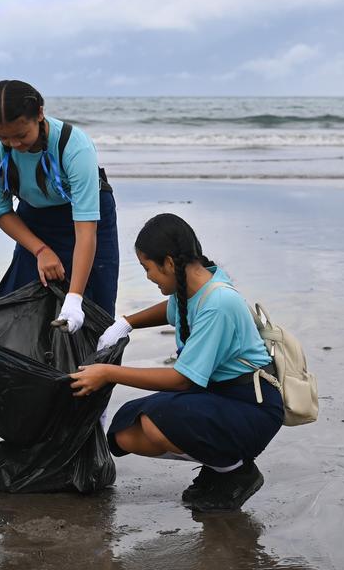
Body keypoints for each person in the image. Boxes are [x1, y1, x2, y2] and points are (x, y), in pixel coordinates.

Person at [68, 214, 283, 511]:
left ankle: (234, 472)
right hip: (219, 396)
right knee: (124, 432)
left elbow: (184, 380)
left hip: (252, 405)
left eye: (148, 268)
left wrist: (109, 373)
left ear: (169, 263)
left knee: (158, 423)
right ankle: (217, 466)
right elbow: (172, 309)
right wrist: (126, 323)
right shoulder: (193, 285)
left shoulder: (219, 303)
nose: (148, 276)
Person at [0, 79, 118, 329]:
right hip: (35, 222)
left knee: (93, 310)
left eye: (21, 135)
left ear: (40, 113)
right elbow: (2, 212)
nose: (15, 145)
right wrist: (40, 250)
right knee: (16, 310)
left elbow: (86, 229)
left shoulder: (74, 147)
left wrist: (74, 300)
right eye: (4, 137)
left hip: (88, 220)